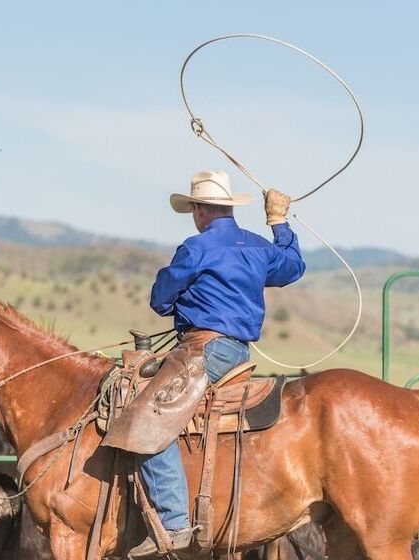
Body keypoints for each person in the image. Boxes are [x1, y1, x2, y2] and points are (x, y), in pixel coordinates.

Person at [127, 170, 306, 559]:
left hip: (203, 350)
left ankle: (174, 522)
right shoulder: (258, 246)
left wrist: (184, 303)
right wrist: (279, 222)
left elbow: (160, 299)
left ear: (200, 209)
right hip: (238, 352)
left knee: (148, 416)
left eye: (194, 209)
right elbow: (293, 266)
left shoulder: (196, 248)